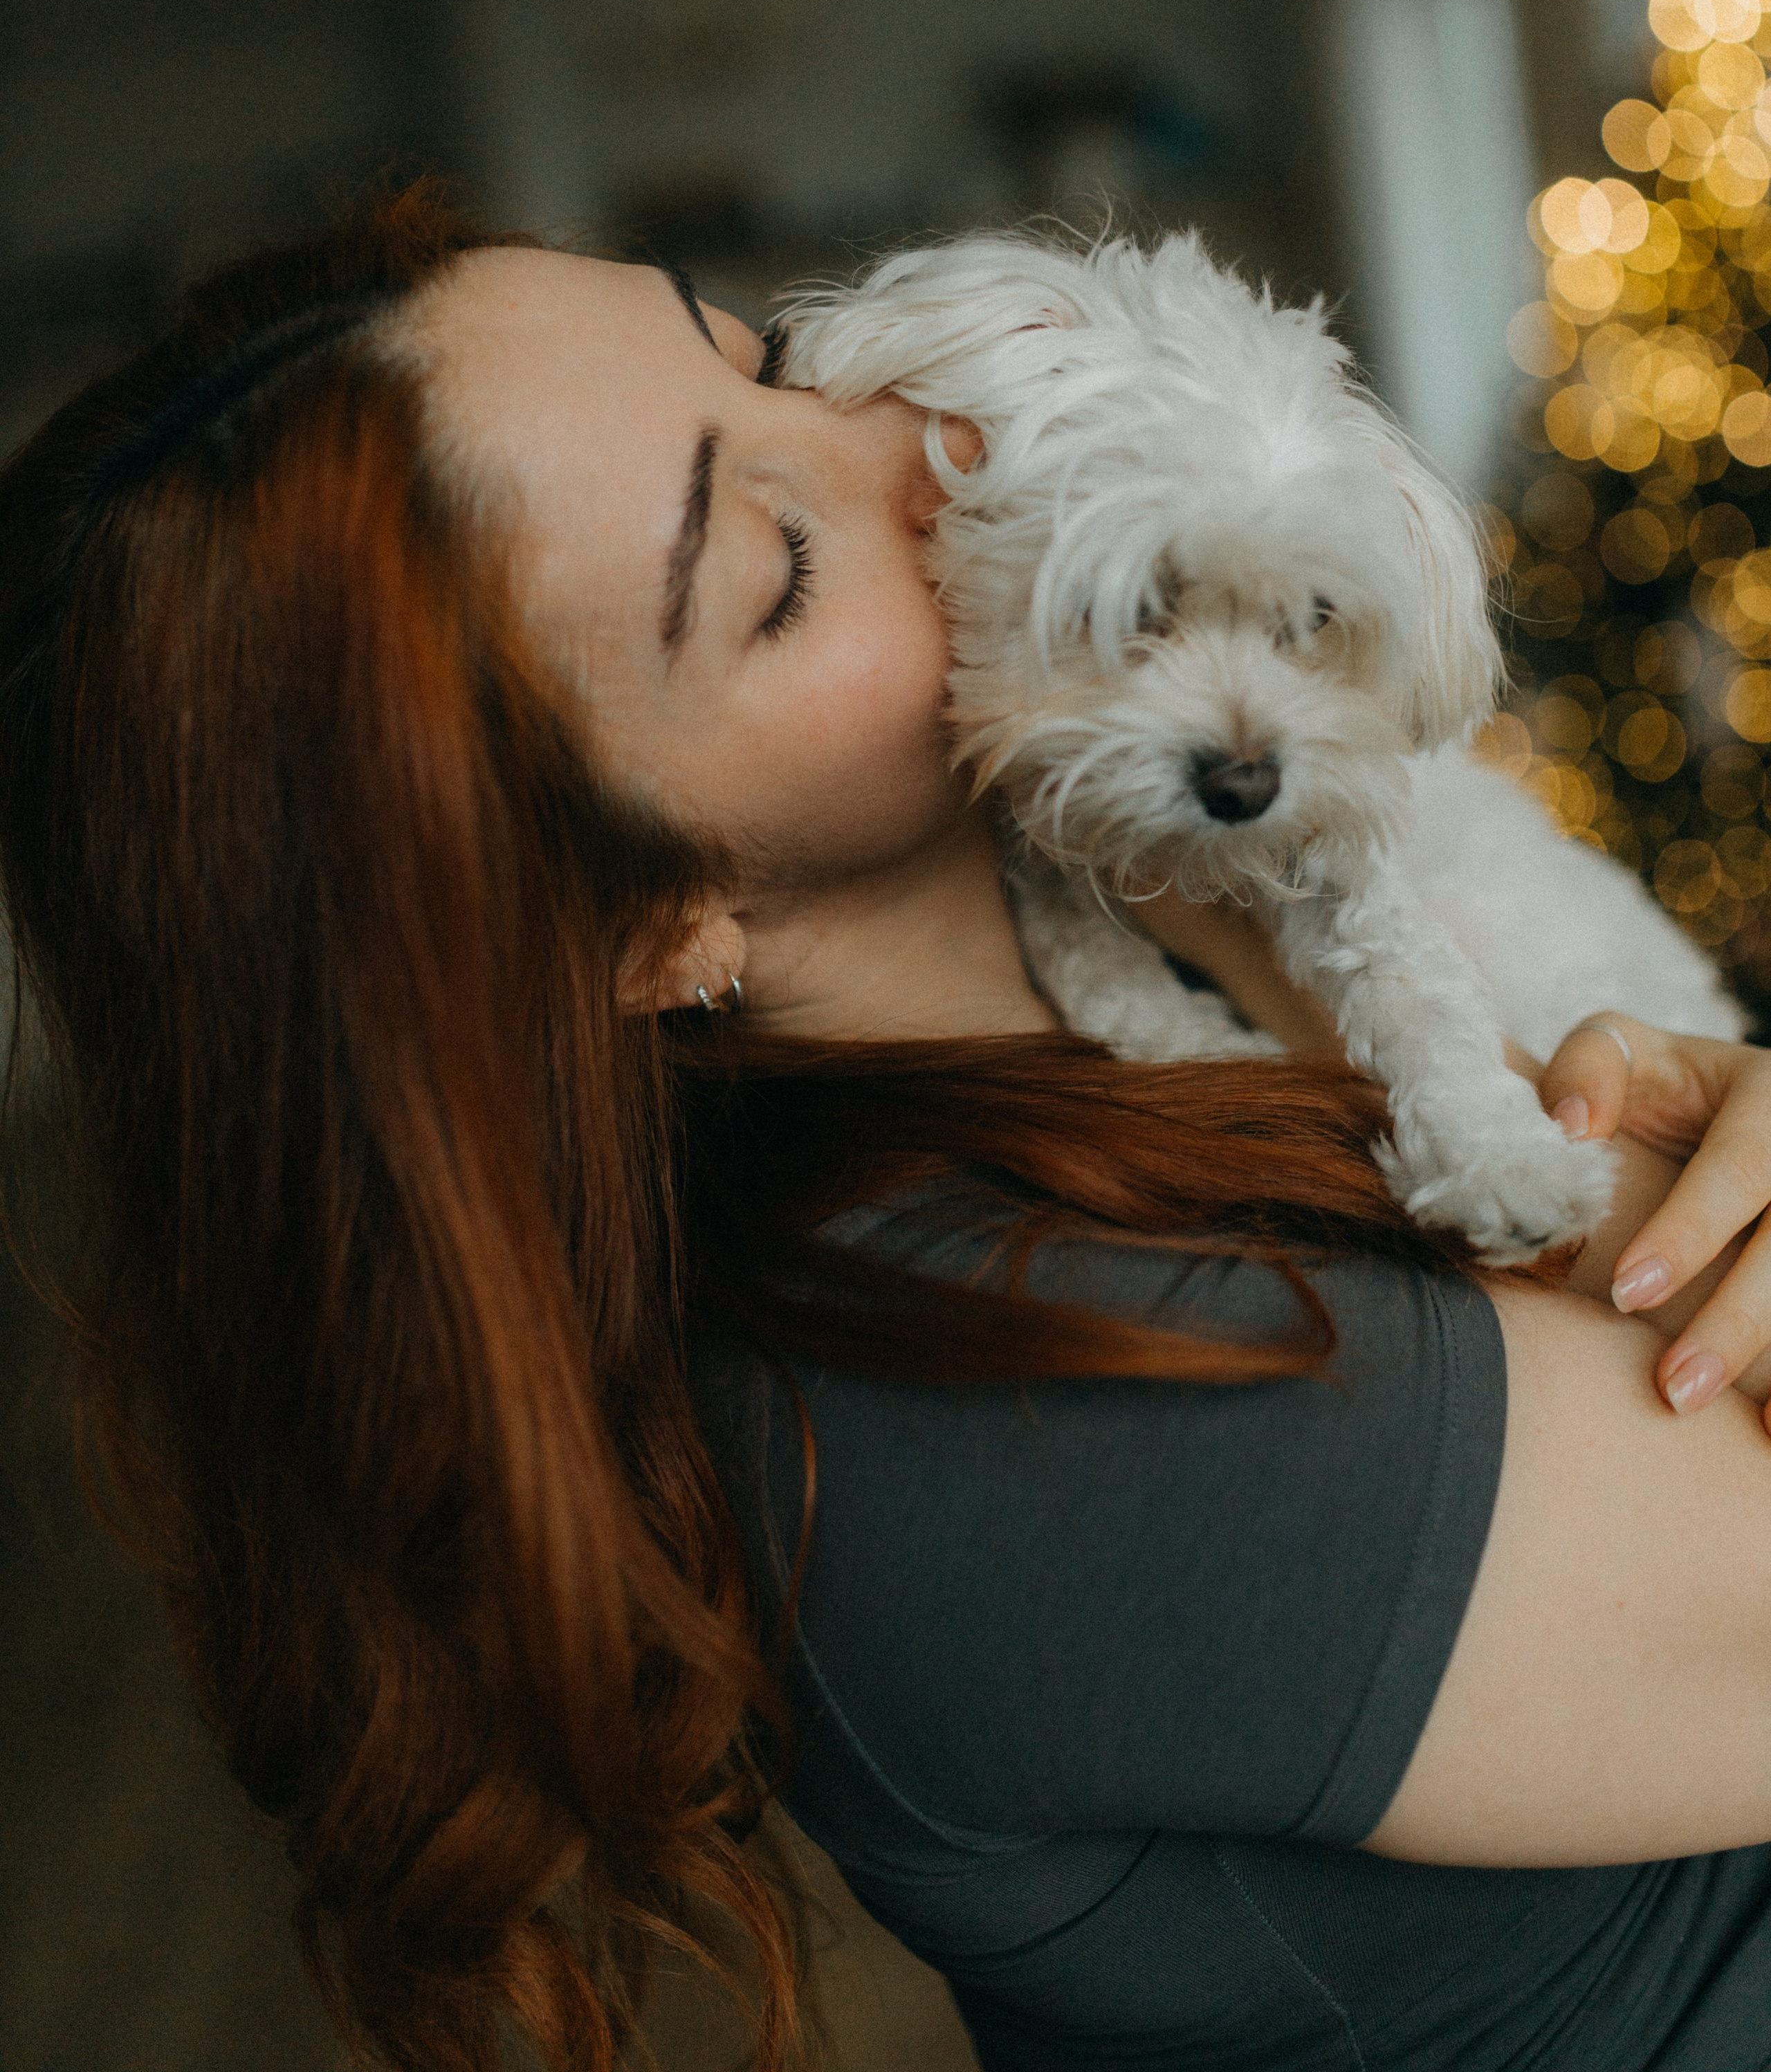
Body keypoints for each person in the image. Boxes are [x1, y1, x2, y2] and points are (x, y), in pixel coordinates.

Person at [7, 180, 1771, 2072]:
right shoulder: (1031, 1408)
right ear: (647, 919)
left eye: (765, 354)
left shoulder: (1178, 957)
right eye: (773, 557)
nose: (911, 452)